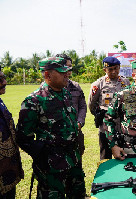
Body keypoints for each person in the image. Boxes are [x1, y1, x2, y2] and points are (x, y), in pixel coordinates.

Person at [16, 57, 86, 198]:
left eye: (67, 71)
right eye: (62, 72)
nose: (67, 74)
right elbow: (22, 137)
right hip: (52, 169)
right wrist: (42, 156)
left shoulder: (65, 93)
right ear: (47, 75)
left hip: (73, 161)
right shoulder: (34, 101)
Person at [88, 56, 130, 160]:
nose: (113, 71)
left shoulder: (126, 83)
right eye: (110, 69)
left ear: (119, 68)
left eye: (116, 68)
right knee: (105, 156)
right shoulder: (98, 84)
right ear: (104, 70)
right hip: (105, 127)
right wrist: (101, 116)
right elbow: (91, 104)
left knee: (123, 154)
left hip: (122, 126)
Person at [56, 54, 87, 156]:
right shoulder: (47, 90)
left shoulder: (76, 86)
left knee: (77, 163)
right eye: (66, 66)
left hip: (75, 133)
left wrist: (80, 122)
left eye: (70, 66)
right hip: (56, 137)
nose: (68, 69)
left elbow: (82, 106)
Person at [0, 70, 24, 198]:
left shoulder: (0, 102)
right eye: (0, 79)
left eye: (4, 77)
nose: (5, 82)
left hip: (7, 174)